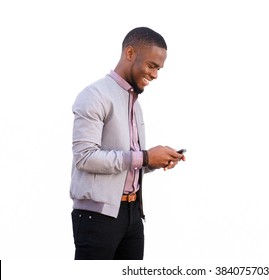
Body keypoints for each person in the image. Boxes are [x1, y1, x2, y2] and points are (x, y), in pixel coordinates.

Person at [70, 27, 185, 260]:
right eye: (152, 66)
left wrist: (155, 161)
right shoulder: (94, 95)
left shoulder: (135, 103)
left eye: (159, 69)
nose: (155, 75)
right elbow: (85, 157)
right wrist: (145, 157)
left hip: (133, 215)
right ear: (130, 53)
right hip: (97, 218)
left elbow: (127, 161)